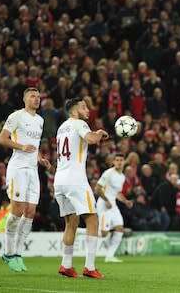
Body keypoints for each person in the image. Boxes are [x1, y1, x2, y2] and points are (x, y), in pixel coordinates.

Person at [0, 87, 51, 272]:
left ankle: (18, 254)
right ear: (24, 98)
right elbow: (2, 139)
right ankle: (8, 252)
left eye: (38, 96)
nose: (36, 99)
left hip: (32, 170)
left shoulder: (40, 120)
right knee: (17, 210)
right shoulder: (16, 116)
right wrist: (20, 146)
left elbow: (34, 146)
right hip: (18, 169)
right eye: (32, 96)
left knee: (30, 212)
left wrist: (40, 158)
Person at [54, 97, 108, 279]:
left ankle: (66, 264)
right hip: (75, 180)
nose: (88, 110)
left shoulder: (62, 127)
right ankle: (90, 267)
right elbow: (91, 139)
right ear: (74, 111)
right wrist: (99, 133)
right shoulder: (78, 123)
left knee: (71, 222)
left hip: (59, 180)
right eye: (84, 107)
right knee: (92, 218)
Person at [95, 153, 134, 263]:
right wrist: (106, 200)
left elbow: (117, 193)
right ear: (113, 162)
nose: (119, 162)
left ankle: (109, 256)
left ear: (124, 162)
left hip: (113, 205)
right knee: (103, 234)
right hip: (104, 204)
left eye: (121, 160)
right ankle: (78, 231)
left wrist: (126, 201)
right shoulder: (108, 173)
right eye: (117, 160)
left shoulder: (122, 177)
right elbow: (97, 189)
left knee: (119, 228)